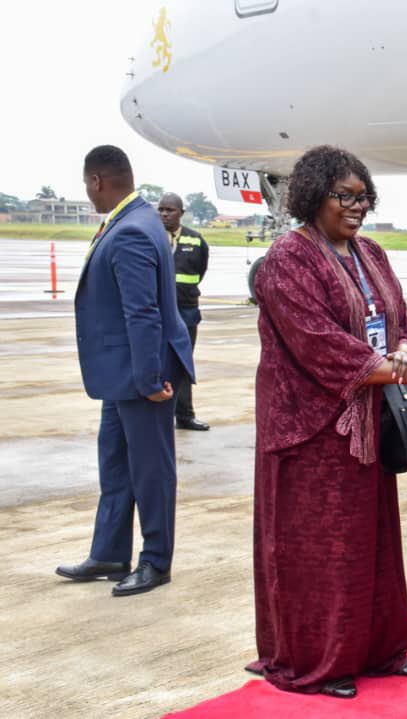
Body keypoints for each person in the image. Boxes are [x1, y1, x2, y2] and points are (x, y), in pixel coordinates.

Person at [248, 145, 407, 699]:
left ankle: (378, 649)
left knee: (372, 544)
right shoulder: (287, 259)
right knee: (320, 550)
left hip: (369, 420)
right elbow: (320, 346)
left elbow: (402, 323)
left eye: (363, 196)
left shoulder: (371, 253)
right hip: (311, 433)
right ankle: (322, 659)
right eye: (344, 196)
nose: (357, 206)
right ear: (313, 196)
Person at [56, 145, 194, 597]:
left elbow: (144, 313)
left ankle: (156, 560)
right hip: (123, 371)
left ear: (97, 180)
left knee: (151, 468)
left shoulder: (132, 229)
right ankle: (111, 552)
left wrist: (151, 378)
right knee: (114, 463)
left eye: (87, 185)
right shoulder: (136, 219)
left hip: (142, 371)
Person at [157, 192, 211, 432]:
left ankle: (185, 416)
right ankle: (159, 416)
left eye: (170, 210)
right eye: (161, 210)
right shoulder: (151, 237)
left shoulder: (196, 240)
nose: (165, 214)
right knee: (156, 363)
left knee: (183, 364)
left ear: (182, 213)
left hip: (186, 311)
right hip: (158, 313)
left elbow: (200, 271)